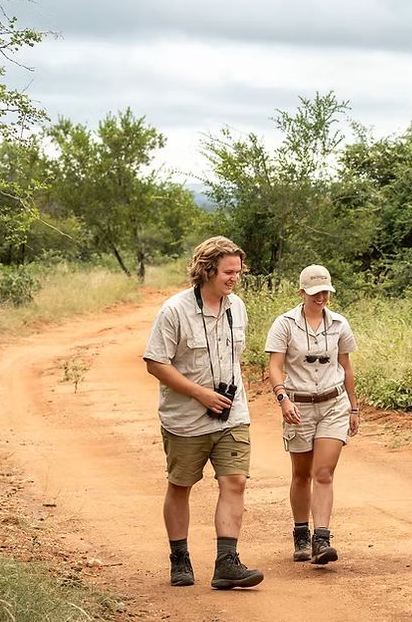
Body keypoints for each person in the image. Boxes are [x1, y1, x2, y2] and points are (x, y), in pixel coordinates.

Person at [142, 236, 264, 590]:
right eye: (228, 272)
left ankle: (227, 562)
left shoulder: (236, 307)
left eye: (238, 272)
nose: (234, 279)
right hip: (185, 419)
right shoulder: (174, 310)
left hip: (232, 413)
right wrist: (200, 394)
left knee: (235, 481)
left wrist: (222, 397)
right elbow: (155, 363)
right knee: (181, 485)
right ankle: (179, 557)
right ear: (208, 270)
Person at [266, 265, 359, 565]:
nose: (321, 297)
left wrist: (354, 407)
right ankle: (300, 533)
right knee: (302, 474)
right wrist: (282, 398)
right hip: (299, 404)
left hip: (333, 404)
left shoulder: (340, 324)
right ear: (302, 292)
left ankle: (322, 538)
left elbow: (346, 367)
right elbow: (275, 366)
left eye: (325, 292)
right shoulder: (285, 324)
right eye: (315, 292)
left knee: (324, 472)